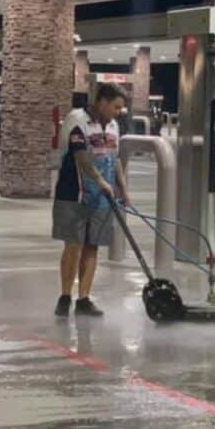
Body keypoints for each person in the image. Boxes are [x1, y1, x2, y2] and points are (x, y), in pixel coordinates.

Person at [51, 83, 129, 317]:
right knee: (73, 245)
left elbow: (114, 159)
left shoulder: (114, 126)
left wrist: (122, 188)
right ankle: (65, 296)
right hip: (74, 194)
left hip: (102, 199)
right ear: (102, 102)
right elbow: (81, 156)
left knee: (92, 246)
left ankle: (83, 299)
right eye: (115, 107)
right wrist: (98, 180)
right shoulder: (77, 120)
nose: (118, 112)